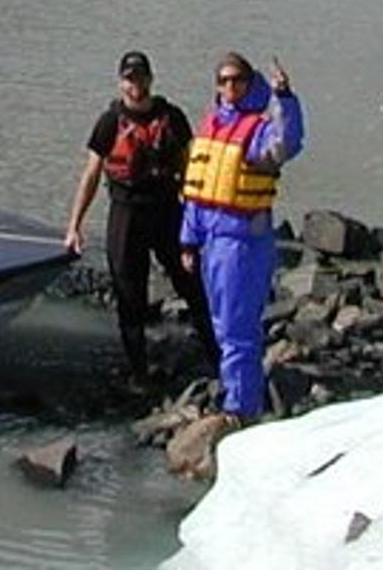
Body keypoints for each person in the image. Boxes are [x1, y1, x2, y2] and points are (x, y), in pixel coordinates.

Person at [63, 50, 218, 383]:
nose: (137, 86)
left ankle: (218, 357)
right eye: (130, 80)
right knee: (129, 294)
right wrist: (74, 227)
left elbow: (194, 169)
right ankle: (139, 373)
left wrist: (202, 220)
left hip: (167, 210)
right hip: (126, 213)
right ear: (121, 83)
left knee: (191, 283)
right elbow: (90, 174)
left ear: (151, 79)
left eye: (141, 78)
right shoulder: (109, 123)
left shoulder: (172, 117)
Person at [179, 53, 305, 424]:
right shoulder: (212, 125)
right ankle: (234, 390)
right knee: (222, 325)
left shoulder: (258, 130)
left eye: (237, 80)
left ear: (250, 84)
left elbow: (288, 143)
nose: (230, 88)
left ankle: (242, 407)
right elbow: (196, 193)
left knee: (238, 328)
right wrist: (188, 240)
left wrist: (285, 98)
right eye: (223, 81)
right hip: (212, 243)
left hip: (243, 243)